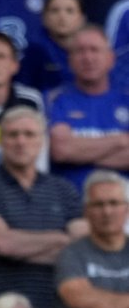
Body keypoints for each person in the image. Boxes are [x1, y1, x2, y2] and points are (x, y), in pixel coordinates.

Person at [0, 106, 86, 308]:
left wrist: (21, 245)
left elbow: (80, 248)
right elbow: (2, 244)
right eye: (13, 135)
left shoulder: (64, 190)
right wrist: (61, 239)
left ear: (42, 141)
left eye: (29, 134)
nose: (21, 142)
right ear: (1, 141)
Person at [54, 170, 129, 308]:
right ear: (86, 211)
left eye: (114, 203)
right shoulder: (72, 255)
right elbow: (82, 302)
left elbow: (95, 307)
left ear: (126, 209)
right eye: (98, 205)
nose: (107, 211)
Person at [47, 26, 129, 193]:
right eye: (80, 51)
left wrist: (79, 154)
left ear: (111, 59)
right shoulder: (55, 99)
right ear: (70, 60)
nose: (88, 58)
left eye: (95, 50)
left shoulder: (126, 100)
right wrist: (121, 140)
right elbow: (61, 151)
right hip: (70, 201)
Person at [17, 0, 86, 95]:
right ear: (44, 18)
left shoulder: (90, 50)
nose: (62, 17)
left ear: (81, 19)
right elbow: (23, 91)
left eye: (69, 11)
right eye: (55, 11)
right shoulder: (34, 52)